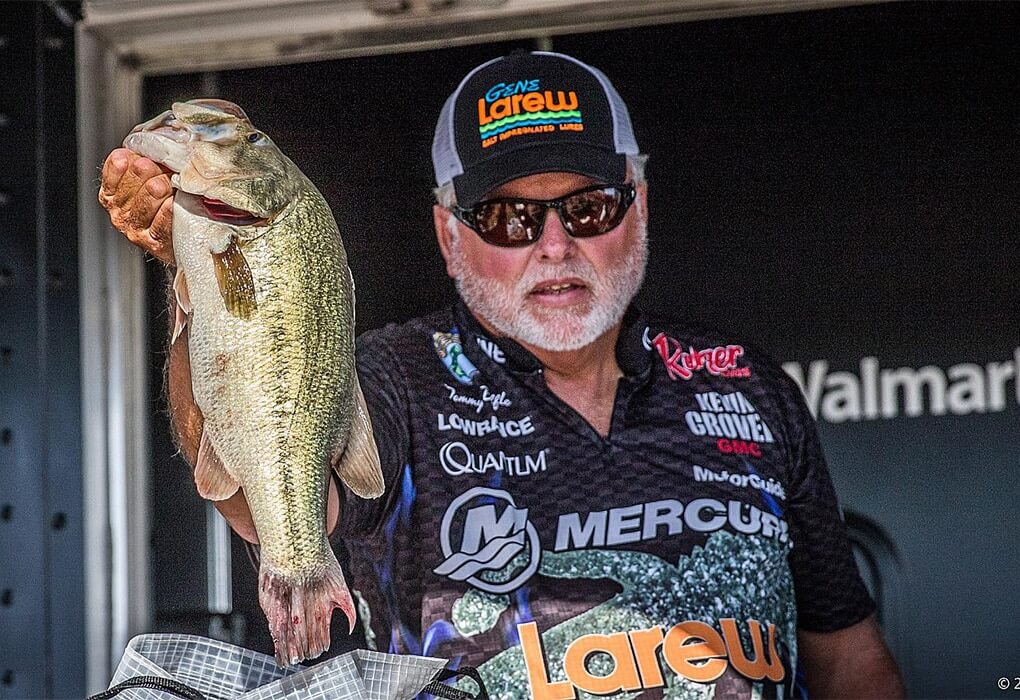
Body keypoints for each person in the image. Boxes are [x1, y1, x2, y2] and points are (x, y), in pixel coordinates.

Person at [99, 50, 904, 698]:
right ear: (450, 235)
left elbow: (847, 656)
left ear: (643, 204)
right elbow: (250, 490)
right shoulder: (398, 375)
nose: (554, 246)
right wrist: (198, 277)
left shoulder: (744, 382)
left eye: (588, 207)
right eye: (510, 217)